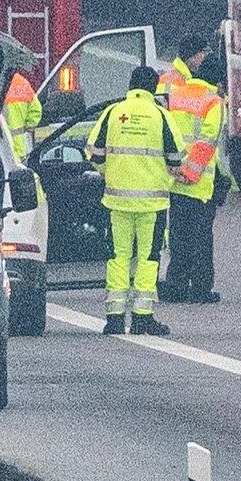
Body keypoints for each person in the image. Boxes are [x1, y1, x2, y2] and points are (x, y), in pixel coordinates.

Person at [85, 66, 181, 336]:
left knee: (118, 257)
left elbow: (94, 152)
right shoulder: (161, 115)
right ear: (153, 88)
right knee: (148, 258)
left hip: (117, 202)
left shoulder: (113, 112)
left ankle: (114, 317)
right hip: (153, 203)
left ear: (131, 85)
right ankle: (142, 317)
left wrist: (111, 174)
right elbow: (176, 157)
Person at [159, 51, 228, 304]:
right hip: (198, 184)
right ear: (218, 81)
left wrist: (175, 170)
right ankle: (200, 288)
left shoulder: (176, 95)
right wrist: (191, 173)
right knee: (201, 238)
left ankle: (176, 284)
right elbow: (207, 142)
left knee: (178, 236)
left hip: (174, 179)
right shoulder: (213, 102)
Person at [158, 32, 210, 104]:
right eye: (202, 52)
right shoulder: (177, 80)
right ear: (192, 55)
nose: (204, 56)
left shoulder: (183, 76)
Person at [3, 71, 42, 160]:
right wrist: (28, 127)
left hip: (3, 148)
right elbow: (36, 110)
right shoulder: (22, 82)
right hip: (22, 147)